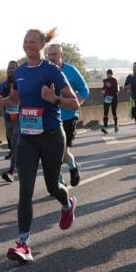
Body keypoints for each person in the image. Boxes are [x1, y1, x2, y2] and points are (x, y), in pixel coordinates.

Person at [4, 28, 78, 263]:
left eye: (33, 41)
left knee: (51, 187)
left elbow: (74, 104)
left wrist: (53, 98)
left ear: (42, 45)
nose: (28, 45)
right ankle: (23, 244)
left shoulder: (52, 71)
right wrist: (3, 101)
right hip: (27, 136)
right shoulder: (20, 72)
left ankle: (67, 204)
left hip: (52, 136)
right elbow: (16, 99)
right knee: (25, 190)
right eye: (25, 41)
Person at [46, 43, 89, 187]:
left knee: (63, 153)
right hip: (50, 117)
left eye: (55, 54)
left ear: (61, 55)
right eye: (49, 55)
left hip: (68, 117)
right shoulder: (44, 71)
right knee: (52, 152)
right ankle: (59, 181)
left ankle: (72, 165)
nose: (52, 57)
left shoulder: (70, 70)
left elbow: (84, 90)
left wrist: (75, 105)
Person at [0, 61, 20, 182]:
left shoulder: (22, 83)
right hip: (8, 118)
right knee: (13, 142)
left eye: (13, 68)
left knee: (15, 141)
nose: (11, 70)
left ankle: (11, 171)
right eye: (9, 68)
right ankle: (19, 164)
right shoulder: (2, 85)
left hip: (22, 117)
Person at [101, 69, 119, 133]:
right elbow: (104, 88)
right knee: (105, 112)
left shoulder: (114, 80)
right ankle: (105, 127)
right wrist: (103, 91)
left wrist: (110, 86)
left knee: (114, 112)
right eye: (107, 74)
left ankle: (116, 125)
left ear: (111, 74)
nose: (108, 75)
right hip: (107, 98)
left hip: (114, 98)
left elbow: (116, 90)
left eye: (109, 74)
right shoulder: (105, 80)